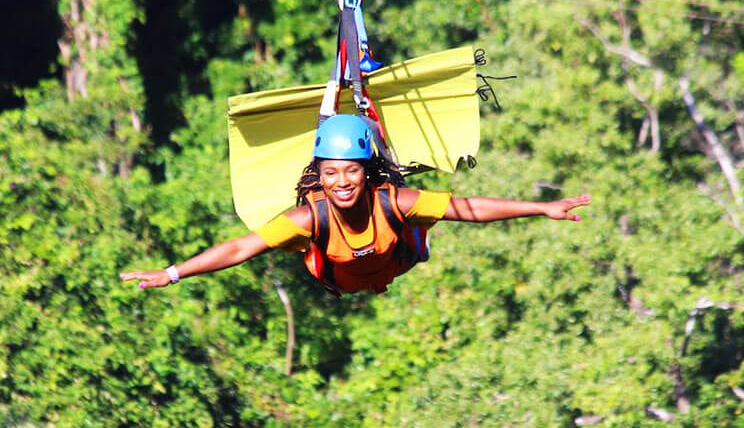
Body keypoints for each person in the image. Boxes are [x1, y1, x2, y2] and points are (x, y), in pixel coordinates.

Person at [121, 114, 592, 295]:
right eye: (331, 174)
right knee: (292, 242)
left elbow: (469, 209)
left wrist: (541, 207)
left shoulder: (395, 200)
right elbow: (241, 248)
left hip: (396, 260)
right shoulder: (310, 215)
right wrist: (174, 272)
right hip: (337, 275)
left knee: (426, 214)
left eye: (351, 171)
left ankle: (415, 235)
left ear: (366, 172)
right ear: (320, 179)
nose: (342, 182)